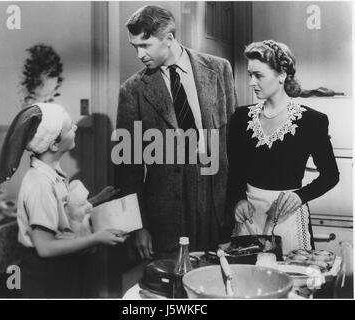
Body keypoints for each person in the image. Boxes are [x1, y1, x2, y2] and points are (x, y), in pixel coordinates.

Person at [115, 5, 237, 259]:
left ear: (169, 38)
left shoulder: (219, 70)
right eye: (134, 46)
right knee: (171, 288)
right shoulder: (132, 90)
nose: (139, 55)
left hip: (215, 205)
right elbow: (128, 168)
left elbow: (234, 144)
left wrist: (235, 205)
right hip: (166, 214)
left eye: (145, 45)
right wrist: (138, 226)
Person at [0, 103, 127, 298]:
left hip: (61, 267)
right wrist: (96, 238)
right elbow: (45, 248)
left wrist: (97, 200)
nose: (75, 128)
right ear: (54, 144)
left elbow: (60, 214)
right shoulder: (40, 184)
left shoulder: (52, 173)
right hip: (46, 275)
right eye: (69, 128)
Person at [227, 40, 339, 253]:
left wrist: (300, 196)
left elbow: (331, 175)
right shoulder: (241, 118)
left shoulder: (312, 121)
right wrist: (238, 199)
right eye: (250, 75)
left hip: (289, 216)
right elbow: (235, 172)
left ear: (281, 75)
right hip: (249, 219)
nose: (251, 82)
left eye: (258, 75)